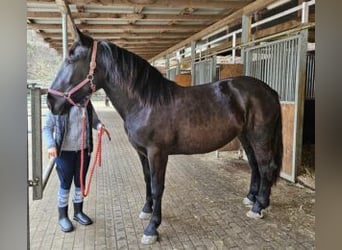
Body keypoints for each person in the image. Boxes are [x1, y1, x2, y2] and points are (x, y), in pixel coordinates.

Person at [43, 101, 104, 232]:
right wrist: (51, 145)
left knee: (80, 182)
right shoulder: (57, 104)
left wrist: (99, 126)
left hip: (83, 150)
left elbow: (94, 120)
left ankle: (78, 212)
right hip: (65, 152)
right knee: (65, 184)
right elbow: (47, 128)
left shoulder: (86, 103)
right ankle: (63, 216)